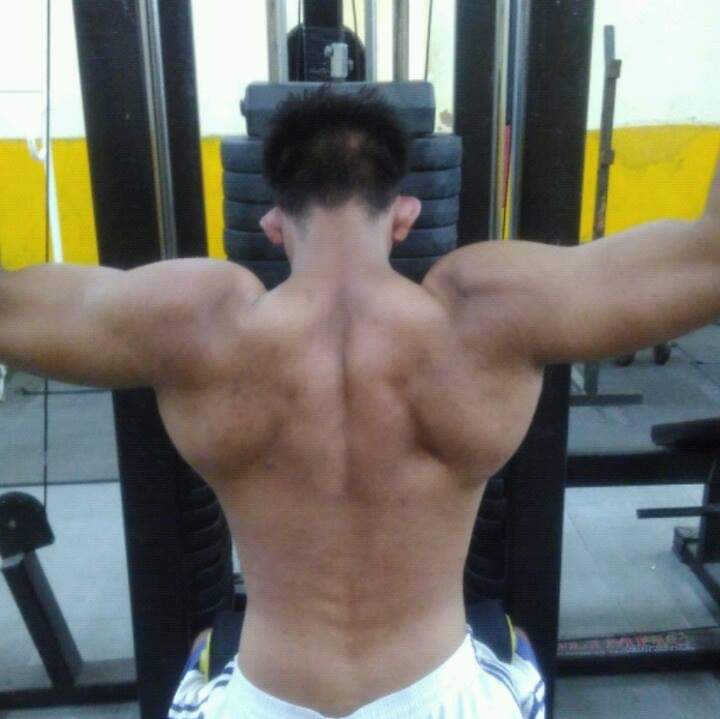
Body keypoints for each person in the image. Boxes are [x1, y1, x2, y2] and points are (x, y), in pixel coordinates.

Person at [0, 86, 718, 718]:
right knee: (518, 654)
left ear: (274, 223)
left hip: (266, 701)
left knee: (200, 656)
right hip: (443, 700)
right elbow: (711, 259)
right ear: (404, 215)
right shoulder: (489, 310)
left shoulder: (196, 320)